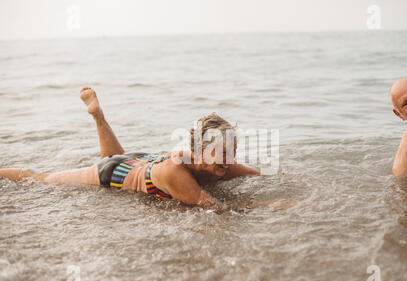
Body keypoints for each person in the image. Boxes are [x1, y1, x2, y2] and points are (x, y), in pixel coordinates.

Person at [0, 88, 260, 208]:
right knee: (41, 179)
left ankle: (99, 117)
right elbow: (215, 208)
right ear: (201, 150)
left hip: (139, 160)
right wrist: (268, 205)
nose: (230, 157)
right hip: (115, 173)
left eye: (232, 149)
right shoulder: (175, 173)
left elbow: (256, 176)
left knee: (115, 155)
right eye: (223, 151)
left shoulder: (218, 163)